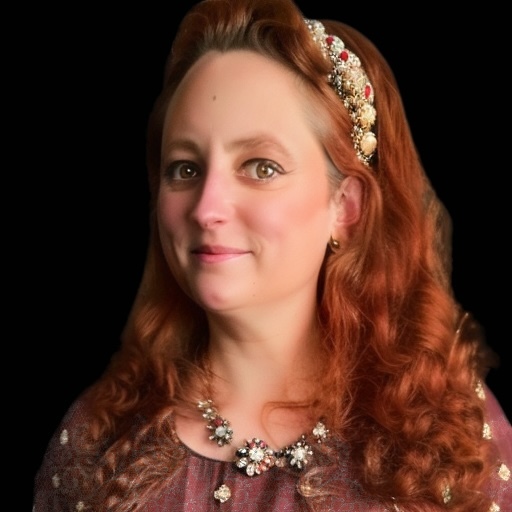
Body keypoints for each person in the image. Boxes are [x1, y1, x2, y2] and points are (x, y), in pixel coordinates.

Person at [33, 0, 512, 510]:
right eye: (186, 169)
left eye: (261, 167)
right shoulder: (97, 443)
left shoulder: (449, 441)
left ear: (345, 207)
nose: (207, 208)